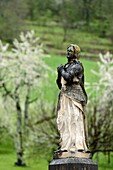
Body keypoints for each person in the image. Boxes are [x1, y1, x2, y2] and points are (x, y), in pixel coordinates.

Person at [56, 44, 89, 154]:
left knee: (74, 119)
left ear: (75, 53)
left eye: (70, 51)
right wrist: (59, 72)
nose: (68, 52)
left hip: (74, 96)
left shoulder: (77, 66)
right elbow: (60, 83)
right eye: (67, 50)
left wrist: (61, 70)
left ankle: (76, 145)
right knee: (64, 120)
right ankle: (65, 144)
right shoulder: (66, 66)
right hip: (64, 96)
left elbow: (68, 77)